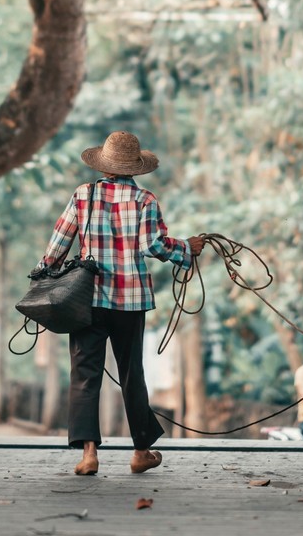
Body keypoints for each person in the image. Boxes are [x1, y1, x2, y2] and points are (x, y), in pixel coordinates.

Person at [38, 130, 204, 477]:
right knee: (132, 374)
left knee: (85, 374)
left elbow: (59, 244)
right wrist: (187, 248)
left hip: (87, 298)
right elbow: (154, 246)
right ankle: (141, 451)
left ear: (104, 165)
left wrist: (43, 272)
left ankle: (88, 455)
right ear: (134, 168)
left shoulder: (83, 195)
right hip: (130, 300)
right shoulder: (145, 200)